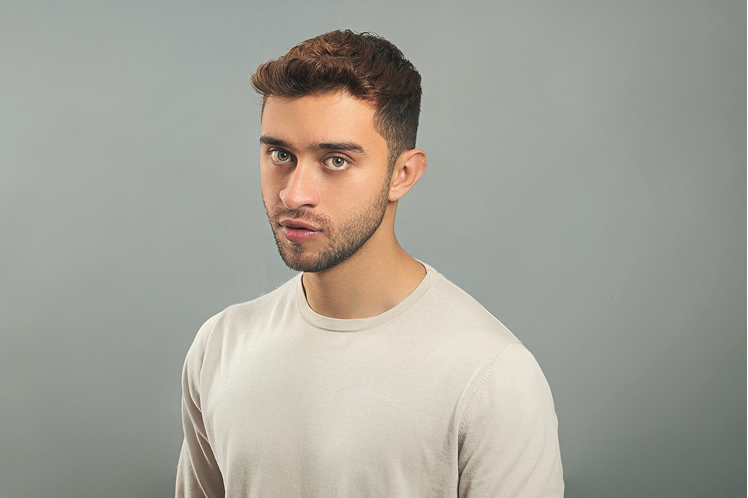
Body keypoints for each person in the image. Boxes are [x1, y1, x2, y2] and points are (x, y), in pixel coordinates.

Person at [176, 30, 564, 497]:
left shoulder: (492, 377)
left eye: (336, 161)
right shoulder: (219, 346)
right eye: (280, 154)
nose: (294, 195)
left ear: (403, 174)